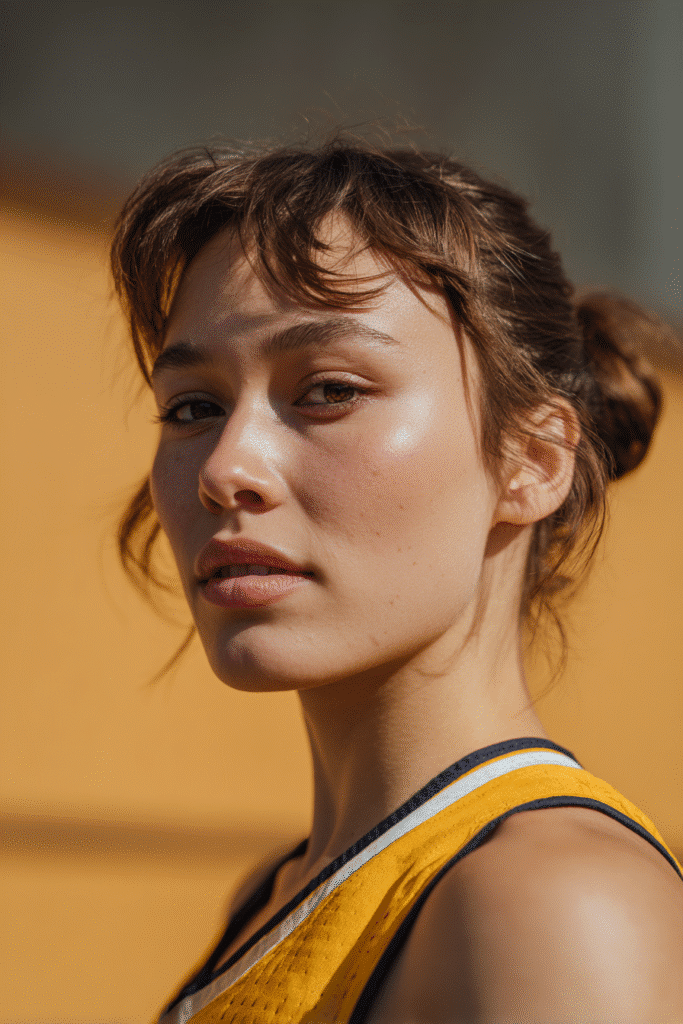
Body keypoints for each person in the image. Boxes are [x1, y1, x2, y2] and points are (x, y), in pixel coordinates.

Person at [111, 137, 683, 1023]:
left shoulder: (553, 906)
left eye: (329, 390)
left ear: (530, 460)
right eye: (194, 407)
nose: (226, 467)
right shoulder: (270, 895)